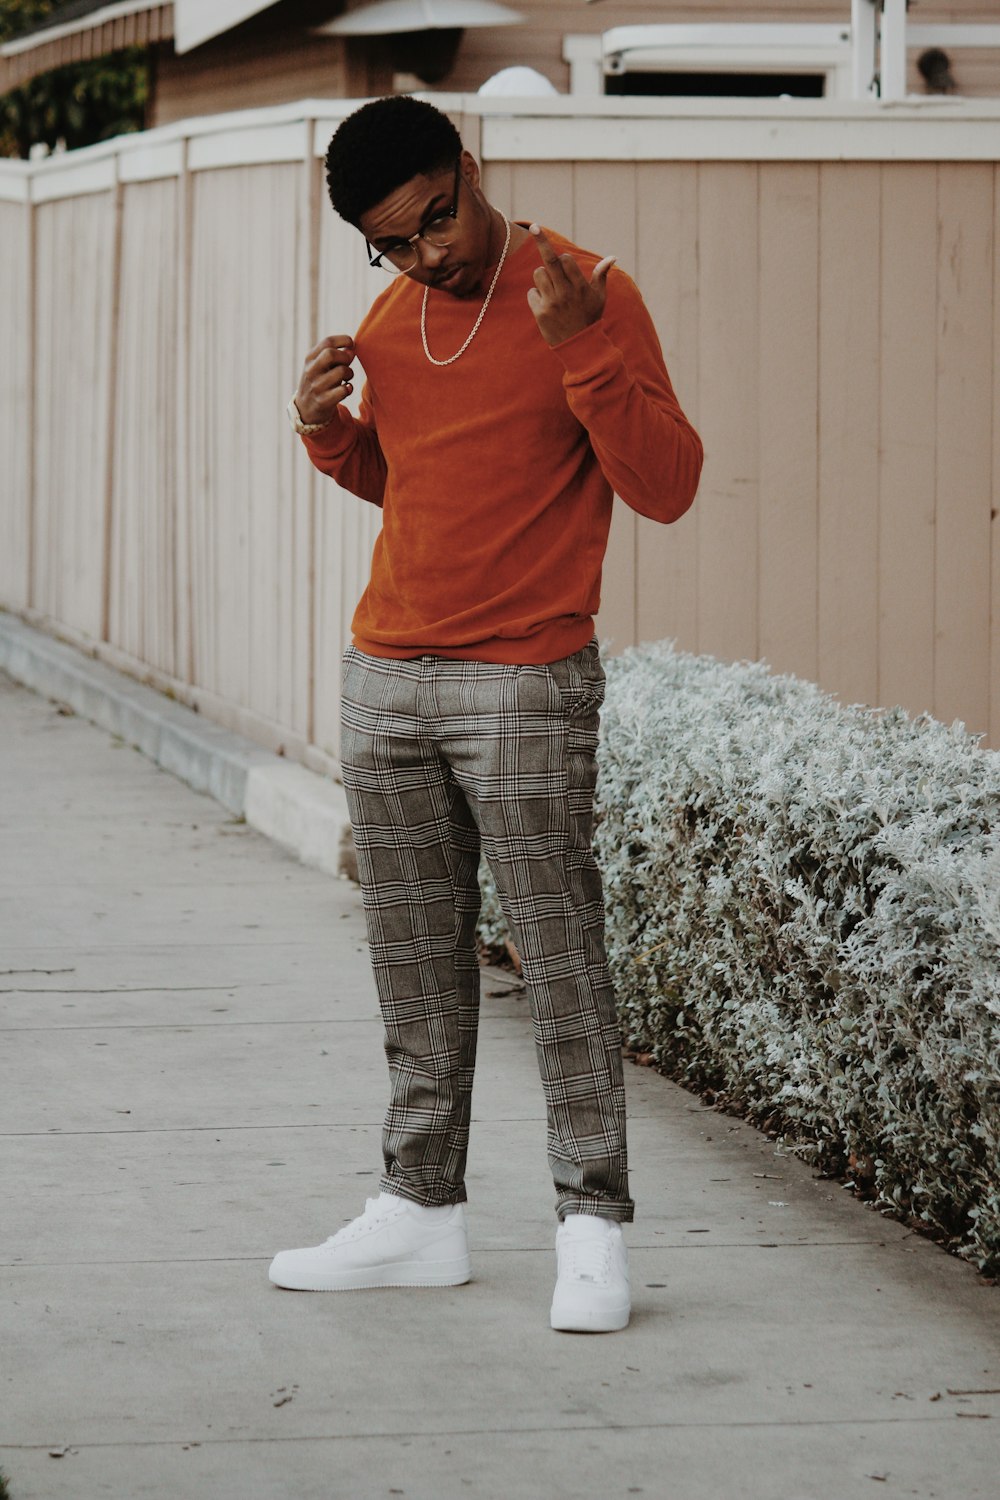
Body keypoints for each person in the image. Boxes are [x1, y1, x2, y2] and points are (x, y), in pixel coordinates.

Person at [269, 95, 703, 1333]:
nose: (424, 257)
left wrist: (581, 351)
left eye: (434, 222)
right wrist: (323, 430)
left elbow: (666, 486)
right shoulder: (393, 319)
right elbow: (416, 487)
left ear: (469, 165)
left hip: (523, 676)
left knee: (557, 958)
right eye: (391, 245)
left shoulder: (588, 291)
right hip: (385, 671)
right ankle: (419, 1213)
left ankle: (592, 1226)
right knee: (411, 959)